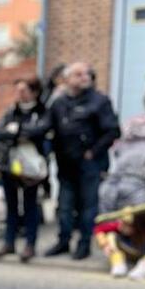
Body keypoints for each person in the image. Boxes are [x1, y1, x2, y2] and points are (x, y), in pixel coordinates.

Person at [44, 62, 120, 260]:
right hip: (65, 162)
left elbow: (112, 130)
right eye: (78, 74)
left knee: (88, 205)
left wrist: (93, 152)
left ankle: (84, 244)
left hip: (89, 163)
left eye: (86, 73)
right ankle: (63, 241)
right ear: (67, 79)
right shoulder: (59, 102)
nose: (84, 77)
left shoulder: (99, 101)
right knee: (65, 204)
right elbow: (47, 126)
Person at [0, 78, 50, 262]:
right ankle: (9, 243)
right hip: (10, 163)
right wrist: (18, 133)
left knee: (31, 204)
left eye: (23, 90)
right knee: (11, 205)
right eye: (17, 90)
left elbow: (39, 131)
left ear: (34, 92)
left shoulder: (42, 112)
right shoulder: (11, 111)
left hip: (31, 166)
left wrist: (16, 131)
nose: (19, 94)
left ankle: (30, 245)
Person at [94, 212, 145, 280]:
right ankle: (118, 264)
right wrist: (104, 244)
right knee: (110, 236)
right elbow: (99, 228)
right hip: (127, 253)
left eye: (126, 223)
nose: (121, 225)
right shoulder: (119, 226)